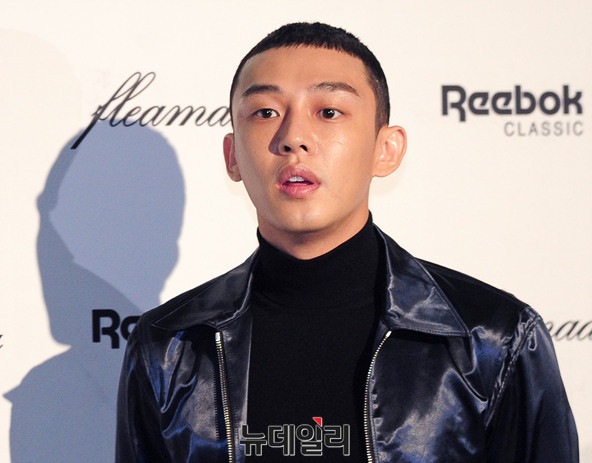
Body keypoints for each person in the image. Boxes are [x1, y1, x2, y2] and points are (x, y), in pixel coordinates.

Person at [116, 22, 578, 462]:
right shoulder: (169, 346)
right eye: (266, 112)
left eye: (329, 112)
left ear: (386, 149)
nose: (293, 138)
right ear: (232, 155)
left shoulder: (494, 338)